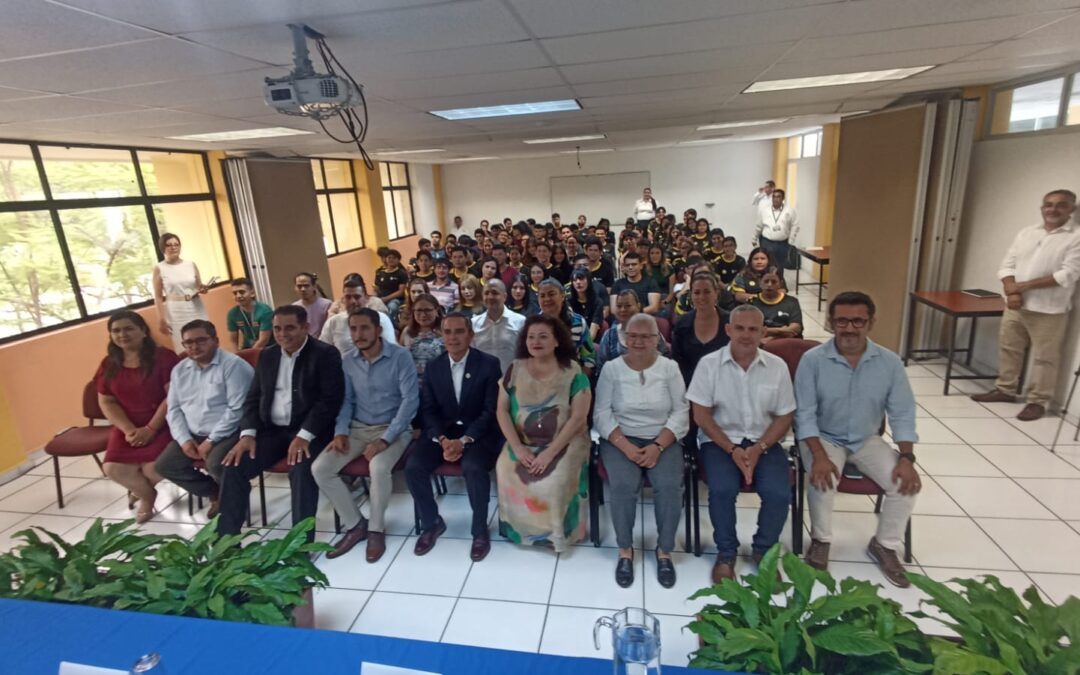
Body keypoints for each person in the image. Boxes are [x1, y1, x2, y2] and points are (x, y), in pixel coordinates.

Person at [796, 292, 921, 588]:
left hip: (866, 439)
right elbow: (804, 413)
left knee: (905, 484)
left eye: (857, 321)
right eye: (841, 321)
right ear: (831, 322)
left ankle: (885, 544)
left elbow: (903, 413)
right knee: (823, 479)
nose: (849, 328)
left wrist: (906, 458)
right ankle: (821, 540)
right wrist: (819, 456)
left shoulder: (889, 363)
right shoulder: (812, 361)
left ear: (870, 323)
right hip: (823, 437)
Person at [687, 305, 795, 583]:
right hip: (720, 441)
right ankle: (726, 553)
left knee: (779, 493)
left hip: (765, 441)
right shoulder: (709, 364)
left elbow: (785, 415)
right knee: (722, 490)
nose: (746, 335)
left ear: (763, 332)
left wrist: (758, 449)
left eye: (753, 329)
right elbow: (701, 416)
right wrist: (733, 450)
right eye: (740, 328)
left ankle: (764, 551)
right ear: (728, 330)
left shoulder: (777, 367)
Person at [218, 305, 344, 538]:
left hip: (312, 432)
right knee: (233, 465)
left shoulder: (325, 354)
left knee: (301, 470)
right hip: (272, 431)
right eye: (277, 328)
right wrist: (248, 434)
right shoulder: (268, 355)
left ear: (305, 327)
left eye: (290, 328)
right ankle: (226, 541)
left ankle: (299, 543)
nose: (282, 334)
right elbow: (253, 398)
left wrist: (304, 435)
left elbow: (330, 401)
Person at [313, 308, 419, 562]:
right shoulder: (348, 361)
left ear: (378, 330)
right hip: (358, 428)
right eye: (353, 328)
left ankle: (376, 530)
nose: (358, 334)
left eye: (364, 328)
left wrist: (384, 440)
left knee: (378, 467)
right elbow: (347, 401)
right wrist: (340, 431)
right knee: (320, 468)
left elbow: (410, 402)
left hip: (394, 429)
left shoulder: (400, 357)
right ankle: (355, 524)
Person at [594, 313, 688, 588]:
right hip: (620, 438)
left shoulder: (670, 368)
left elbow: (681, 411)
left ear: (657, 339)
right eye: (633, 336)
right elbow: (601, 413)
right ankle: (625, 549)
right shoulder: (611, 369)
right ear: (624, 338)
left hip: (662, 437)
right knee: (623, 486)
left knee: (669, 486)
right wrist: (625, 445)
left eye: (646, 336)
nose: (638, 341)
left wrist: (658, 446)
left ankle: (664, 551)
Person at [971, 189, 1080, 421]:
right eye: (1048, 204)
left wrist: (1021, 287)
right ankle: (1005, 389)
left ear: (1071, 209)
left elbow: (1068, 274)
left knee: (1045, 357)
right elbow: (1007, 265)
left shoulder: (1076, 237)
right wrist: (1012, 290)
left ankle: (1037, 402)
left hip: (1049, 309)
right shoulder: (1027, 232)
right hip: (1016, 305)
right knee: (1009, 348)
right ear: (1042, 208)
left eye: (1060, 205)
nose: (1053, 209)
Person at [406, 314, 503, 561]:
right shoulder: (434, 367)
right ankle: (432, 522)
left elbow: (490, 411)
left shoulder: (489, 364)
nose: (453, 337)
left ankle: (479, 530)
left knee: (473, 467)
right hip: (444, 433)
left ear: (471, 335)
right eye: (447, 332)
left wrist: (464, 440)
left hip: (478, 433)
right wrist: (442, 439)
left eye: (459, 331)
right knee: (414, 467)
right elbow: (428, 409)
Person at [495, 315, 592, 551]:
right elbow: (502, 410)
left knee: (555, 478)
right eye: (531, 337)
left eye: (543, 336)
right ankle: (521, 531)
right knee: (505, 467)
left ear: (557, 341)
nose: (536, 342)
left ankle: (557, 535)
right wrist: (518, 448)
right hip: (523, 441)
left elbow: (578, 418)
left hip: (566, 441)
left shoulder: (573, 371)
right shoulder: (515, 369)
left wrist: (549, 454)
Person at [157, 319, 254, 518]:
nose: (194, 347)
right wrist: (184, 440)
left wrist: (211, 440)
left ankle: (234, 499)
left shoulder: (233, 365)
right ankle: (216, 492)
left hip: (231, 431)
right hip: (194, 433)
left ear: (215, 341)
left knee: (215, 463)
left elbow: (237, 409)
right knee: (165, 465)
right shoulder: (180, 370)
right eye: (188, 342)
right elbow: (173, 409)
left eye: (201, 340)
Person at [95, 310, 182, 523]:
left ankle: (142, 492)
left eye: (128, 329)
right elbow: (107, 401)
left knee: (155, 468)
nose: (122, 335)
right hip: (128, 425)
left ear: (143, 331)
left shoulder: (164, 358)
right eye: (116, 331)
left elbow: (173, 397)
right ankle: (147, 495)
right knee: (112, 468)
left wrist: (151, 429)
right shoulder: (109, 364)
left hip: (164, 421)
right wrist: (128, 430)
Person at [152, 233, 210, 352]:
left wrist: (203, 288)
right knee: (183, 343)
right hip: (176, 310)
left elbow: (198, 286)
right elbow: (158, 297)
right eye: (169, 245)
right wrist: (161, 319)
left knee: (205, 336)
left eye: (176, 244)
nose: (173, 247)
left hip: (196, 305)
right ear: (163, 248)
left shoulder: (190, 264)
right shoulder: (159, 268)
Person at [672, 273, 731, 386]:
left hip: (724, 384)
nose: (702, 297)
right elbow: (677, 361)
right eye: (697, 292)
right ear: (691, 295)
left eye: (707, 292)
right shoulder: (681, 324)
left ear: (716, 293)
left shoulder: (730, 321)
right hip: (689, 385)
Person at [597, 290, 670, 373]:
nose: (623, 310)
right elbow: (601, 368)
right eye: (619, 306)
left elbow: (665, 357)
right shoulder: (609, 335)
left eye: (628, 306)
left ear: (638, 306)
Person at [321, 276, 397, 353]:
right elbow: (322, 352)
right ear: (343, 299)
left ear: (366, 298)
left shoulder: (381, 319)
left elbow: (391, 351)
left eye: (357, 297)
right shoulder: (333, 322)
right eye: (348, 297)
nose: (353, 301)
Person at [537, 278, 596, 374]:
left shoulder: (578, 322)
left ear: (562, 296)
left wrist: (580, 379)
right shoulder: (533, 325)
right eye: (542, 296)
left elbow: (589, 357)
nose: (547, 299)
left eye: (551, 294)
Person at [472, 279, 525, 372]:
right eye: (486, 293)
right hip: (483, 379)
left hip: (512, 378)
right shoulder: (474, 323)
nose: (490, 297)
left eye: (494, 293)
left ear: (504, 296)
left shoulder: (520, 321)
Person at [399, 293, 445, 388]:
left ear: (436, 310)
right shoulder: (407, 332)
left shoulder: (445, 332)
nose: (423, 315)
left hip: (438, 384)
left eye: (427, 310)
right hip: (412, 385)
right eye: (419, 310)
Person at [751, 267, 804, 342]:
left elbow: (795, 329)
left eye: (774, 282)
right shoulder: (752, 303)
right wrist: (780, 330)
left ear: (780, 284)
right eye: (766, 281)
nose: (769, 285)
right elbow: (751, 330)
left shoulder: (792, 302)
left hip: (785, 342)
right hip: (759, 343)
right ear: (760, 282)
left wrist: (770, 338)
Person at [753, 188, 798, 276]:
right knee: (766, 264)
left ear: (783, 198)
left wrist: (791, 240)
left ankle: (779, 281)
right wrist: (754, 238)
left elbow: (795, 226)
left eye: (778, 197)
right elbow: (759, 226)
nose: (775, 199)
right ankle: (765, 281)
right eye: (774, 197)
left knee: (780, 266)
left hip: (783, 243)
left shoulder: (790, 211)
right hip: (767, 242)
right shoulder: (765, 211)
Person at [226, 278, 274, 350]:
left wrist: (249, 354)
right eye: (235, 293)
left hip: (268, 347)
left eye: (242, 292)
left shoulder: (265, 311)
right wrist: (236, 355)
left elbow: (264, 340)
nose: (238, 296)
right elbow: (233, 342)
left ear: (252, 293)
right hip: (248, 347)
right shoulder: (232, 313)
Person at [567, 268, 604, 340]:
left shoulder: (597, 302)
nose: (578, 282)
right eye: (575, 280)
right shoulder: (568, 301)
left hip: (591, 341)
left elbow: (592, 334)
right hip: (572, 339)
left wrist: (582, 345)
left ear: (589, 281)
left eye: (581, 279)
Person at [293, 272, 333, 337]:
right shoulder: (294, 308)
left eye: (306, 286)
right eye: (299, 286)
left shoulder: (327, 304)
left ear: (314, 286)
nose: (303, 289)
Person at [374, 248, 410, 320]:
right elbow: (376, 289)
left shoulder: (401, 273)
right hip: (382, 299)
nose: (391, 259)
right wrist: (375, 299)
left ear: (398, 260)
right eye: (389, 257)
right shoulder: (380, 273)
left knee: (392, 308)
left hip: (396, 299)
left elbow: (401, 292)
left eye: (394, 258)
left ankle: (392, 325)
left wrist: (386, 299)